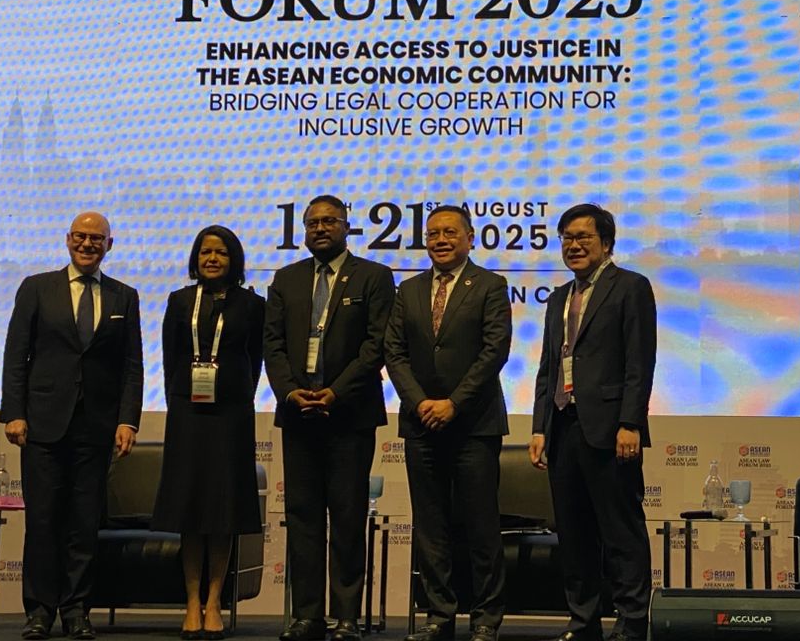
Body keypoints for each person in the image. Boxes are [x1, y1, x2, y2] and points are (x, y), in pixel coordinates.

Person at [0, 211, 144, 641]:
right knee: (43, 522)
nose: (87, 244)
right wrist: (14, 412)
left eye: (96, 238)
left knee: (84, 524)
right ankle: (39, 611)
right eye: (80, 236)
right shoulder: (36, 288)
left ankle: (77, 611)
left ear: (109, 245)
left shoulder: (124, 296)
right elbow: (16, 354)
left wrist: (128, 420)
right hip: (43, 425)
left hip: (96, 428)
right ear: (67, 240)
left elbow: (132, 366)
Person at [264, 195, 396, 641]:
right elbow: (272, 344)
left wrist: (335, 392)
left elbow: (376, 345)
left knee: (347, 517)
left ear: (346, 226)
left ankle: (346, 617)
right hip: (298, 415)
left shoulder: (374, 276)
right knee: (302, 517)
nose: (320, 229)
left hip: (350, 416)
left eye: (329, 221)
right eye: (312, 223)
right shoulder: (286, 279)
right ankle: (307, 616)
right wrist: (289, 391)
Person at [529, 204, 656, 641]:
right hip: (563, 426)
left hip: (611, 428)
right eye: (567, 237)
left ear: (607, 243)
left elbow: (639, 362)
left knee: (621, 532)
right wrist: (540, 427)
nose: (574, 245)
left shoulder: (631, 287)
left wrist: (630, 423)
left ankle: (631, 622)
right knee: (574, 533)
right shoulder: (558, 297)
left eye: (583, 237)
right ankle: (582, 623)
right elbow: (548, 368)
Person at [384, 205, 511, 641]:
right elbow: (394, 352)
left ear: (470, 238)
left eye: (450, 232)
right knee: (430, 527)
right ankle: (439, 615)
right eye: (433, 233)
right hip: (421, 424)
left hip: (474, 424)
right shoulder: (408, 289)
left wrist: (454, 403)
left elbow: (494, 351)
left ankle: (486, 618)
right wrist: (420, 402)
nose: (440, 240)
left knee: (480, 526)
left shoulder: (491, 285)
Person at [151, 225, 264, 640]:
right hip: (188, 413)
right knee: (191, 507)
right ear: (195, 259)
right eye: (205, 252)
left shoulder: (253, 304)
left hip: (232, 414)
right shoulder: (180, 300)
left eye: (220, 253)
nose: (212, 259)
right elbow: (170, 357)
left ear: (234, 259)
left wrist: (238, 394)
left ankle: (215, 601)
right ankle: (191, 601)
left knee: (223, 509)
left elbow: (256, 360)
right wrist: (180, 398)